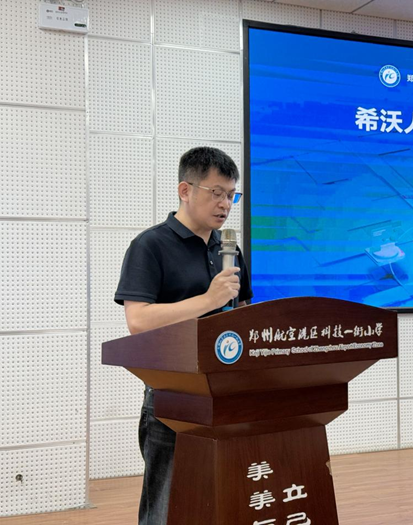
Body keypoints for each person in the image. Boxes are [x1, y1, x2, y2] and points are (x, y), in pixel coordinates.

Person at [114, 147, 253, 525]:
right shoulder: (150, 245)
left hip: (226, 391)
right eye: (216, 192)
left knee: (220, 499)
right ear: (185, 190)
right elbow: (138, 321)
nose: (225, 204)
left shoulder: (228, 248)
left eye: (232, 194)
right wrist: (207, 300)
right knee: (167, 505)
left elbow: (241, 312)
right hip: (173, 395)